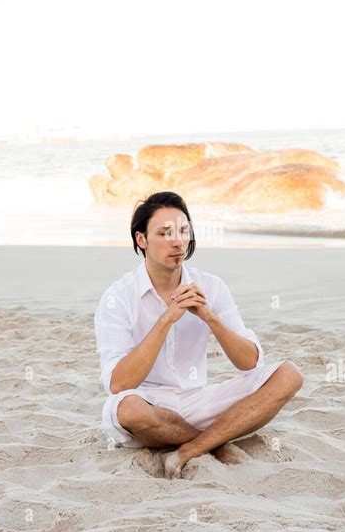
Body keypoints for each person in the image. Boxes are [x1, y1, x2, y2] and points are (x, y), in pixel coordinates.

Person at [94, 191, 303, 478]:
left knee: (289, 375)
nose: (178, 241)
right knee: (128, 409)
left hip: (197, 400)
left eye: (183, 231)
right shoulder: (118, 296)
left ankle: (189, 449)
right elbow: (119, 383)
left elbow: (251, 363)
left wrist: (209, 316)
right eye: (165, 233)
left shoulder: (211, 286)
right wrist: (167, 319)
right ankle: (213, 444)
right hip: (148, 407)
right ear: (141, 240)